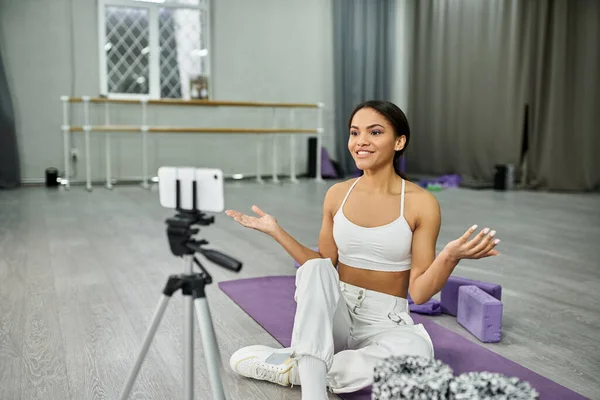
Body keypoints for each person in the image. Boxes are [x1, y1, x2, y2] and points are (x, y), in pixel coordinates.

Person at [224, 100, 500, 399]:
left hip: (386, 321)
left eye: (375, 132)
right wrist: (276, 231)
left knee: (417, 356)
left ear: (399, 141)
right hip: (336, 313)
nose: (361, 142)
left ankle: (296, 366)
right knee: (315, 269)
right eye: (355, 133)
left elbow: (419, 293)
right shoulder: (337, 194)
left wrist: (450, 255)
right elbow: (322, 266)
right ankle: (313, 391)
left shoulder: (421, 203)